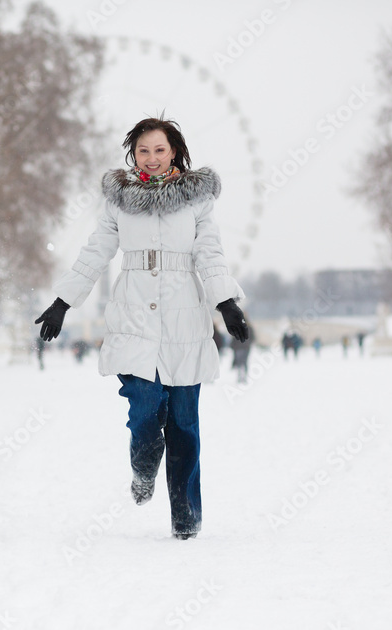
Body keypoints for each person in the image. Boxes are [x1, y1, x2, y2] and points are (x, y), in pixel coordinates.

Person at [34, 117, 248, 540]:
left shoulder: (197, 201)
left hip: (185, 319)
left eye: (160, 150)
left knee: (185, 425)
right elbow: (96, 252)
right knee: (146, 411)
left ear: (175, 152)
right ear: (134, 154)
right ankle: (143, 466)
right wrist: (63, 301)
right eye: (144, 151)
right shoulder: (120, 200)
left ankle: (186, 520)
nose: (151, 159)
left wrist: (225, 302)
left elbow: (210, 253)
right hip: (133, 316)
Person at [231, 319, 255, 384]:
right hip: (245, 347)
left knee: (240, 362)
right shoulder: (249, 328)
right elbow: (253, 338)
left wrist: (233, 346)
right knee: (244, 362)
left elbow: (234, 338)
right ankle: (243, 376)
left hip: (239, 347)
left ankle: (240, 376)